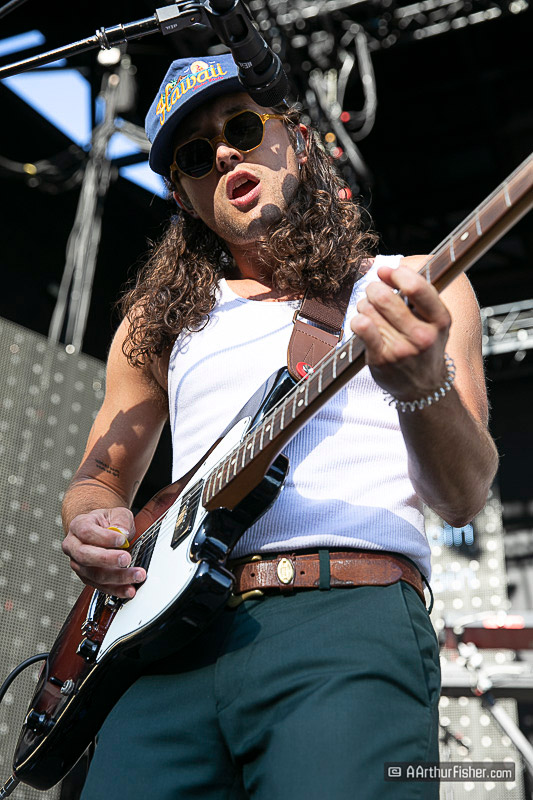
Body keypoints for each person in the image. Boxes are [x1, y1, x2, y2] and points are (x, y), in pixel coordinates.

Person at [61, 54, 498, 799]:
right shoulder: (155, 327)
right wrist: (90, 519)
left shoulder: (416, 284)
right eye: (194, 155)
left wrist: (424, 388)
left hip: (343, 626)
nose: (223, 153)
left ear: (294, 139)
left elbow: (462, 498)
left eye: (241, 127)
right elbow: (100, 476)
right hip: (165, 652)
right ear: (184, 196)